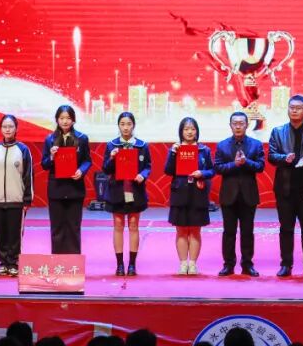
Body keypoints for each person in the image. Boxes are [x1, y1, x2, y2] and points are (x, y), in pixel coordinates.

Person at [268, 95, 303, 278]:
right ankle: (286, 264)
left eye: (298, 107)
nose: (294, 110)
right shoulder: (278, 132)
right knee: (286, 228)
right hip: (285, 188)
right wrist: (283, 158)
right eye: (291, 107)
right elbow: (271, 156)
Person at [213, 111, 265, 277]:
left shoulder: (256, 145)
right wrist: (234, 164)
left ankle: (247, 264)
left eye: (241, 123)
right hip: (228, 195)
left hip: (249, 195)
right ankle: (228, 264)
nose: (238, 126)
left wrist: (246, 162)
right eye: (235, 123)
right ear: (230, 125)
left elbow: (260, 166)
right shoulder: (222, 145)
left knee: (247, 232)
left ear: (247, 125)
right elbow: (217, 168)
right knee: (229, 232)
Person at [102, 111, 152, 276]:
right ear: (118, 126)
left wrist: (142, 175)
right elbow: (106, 169)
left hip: (135, 190)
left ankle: (132, 264)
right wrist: (111, 158)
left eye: (129, 124)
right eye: (122, 124)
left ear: (133, 126)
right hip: (117, 190)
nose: (125, 128)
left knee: (133, 226)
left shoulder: (142, 145)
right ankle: (119, 265)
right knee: (118, 226)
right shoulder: (111, 145)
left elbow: (148, 166)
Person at [164, 116, 215, 275]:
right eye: (186, 129)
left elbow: (212, 170)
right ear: (181, 131)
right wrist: (173, 154)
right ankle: (182, 264)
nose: (189, 132)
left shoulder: (204, 150)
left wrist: (202, 173)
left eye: (192, 129)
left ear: (197, 131)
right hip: (179, 192)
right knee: (181, 230)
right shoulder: (175, 149)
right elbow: (168, 171)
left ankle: (192, 264)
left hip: (198, 193)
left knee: (195, 230)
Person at [41, 104, 92, 255]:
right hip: (56, 188)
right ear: (57, 120)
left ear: (73, 120)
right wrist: (51, 156)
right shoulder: (50, 139)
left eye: (68, 118)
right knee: (57, 226)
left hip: (75, 188)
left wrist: (81, 171)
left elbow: (87, 161)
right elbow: (44, 164)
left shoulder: (82, 138)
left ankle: (74, 261)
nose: (65, 121)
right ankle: (58, 260)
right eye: (62, 118)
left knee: (73, 226)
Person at [0, 115, 33, 276]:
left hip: (16, 199)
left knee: (14, 234)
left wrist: (27, 199)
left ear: (16, 129)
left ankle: (13, 263)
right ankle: (3, 263)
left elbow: (28, 176)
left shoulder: (23, 150)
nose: (7, 129)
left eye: (11, 126)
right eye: (5, 126)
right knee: (0, 234)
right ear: (1, 129)